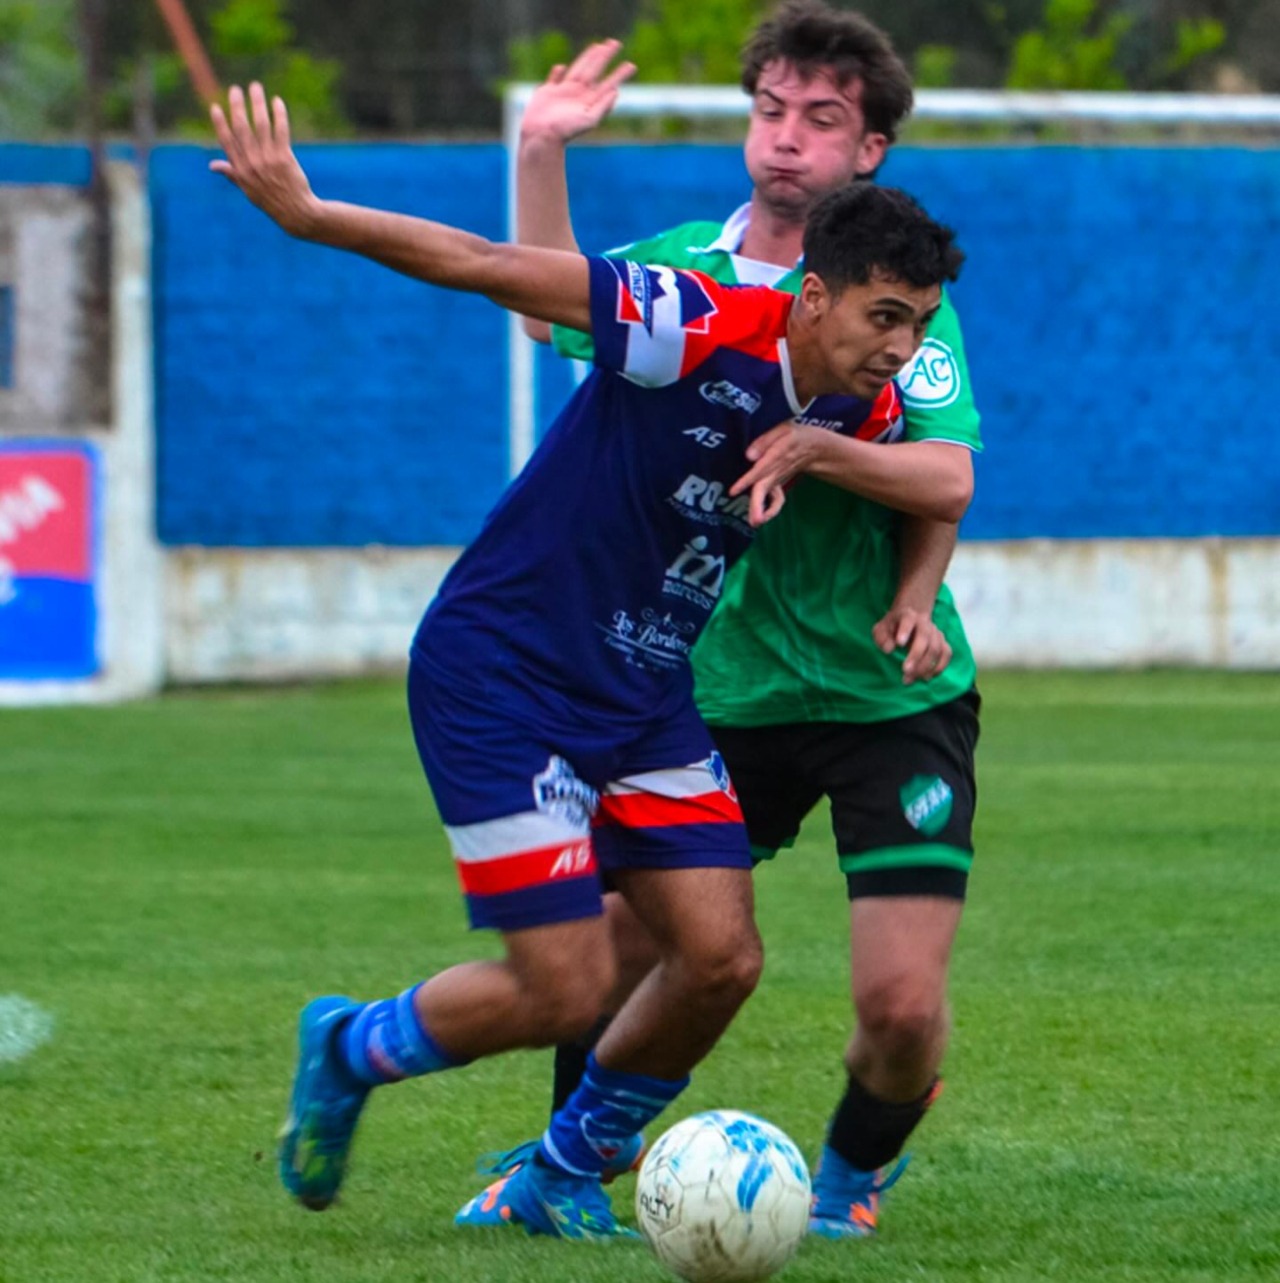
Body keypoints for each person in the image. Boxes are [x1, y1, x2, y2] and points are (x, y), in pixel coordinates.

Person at [208, 81, 966, 1238]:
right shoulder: (690, 316)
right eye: (882, 318)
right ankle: (350, 1044)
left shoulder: (852, 411)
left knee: (720, 957)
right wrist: (314, 217)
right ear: (811, 296)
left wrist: (910, 594)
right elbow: (486, 264)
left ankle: (562, 1170)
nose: (900, 348)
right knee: (563, 982)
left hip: (645, 694)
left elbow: (938, 489)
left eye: (915, 322)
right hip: (504, 672)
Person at [485, 0, 983, 1241]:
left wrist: (823, 458)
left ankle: (851, 1175)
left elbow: (947, 475)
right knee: (607, 946)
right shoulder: (683, 273)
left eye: (822, 120)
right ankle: (567, 1172)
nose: (786, 141)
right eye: (770, 111)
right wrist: (541, 151)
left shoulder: (894, 297)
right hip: (709, 689)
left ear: (865, 151)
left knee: (903, 1009)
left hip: (884, 695)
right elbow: (546, 309)